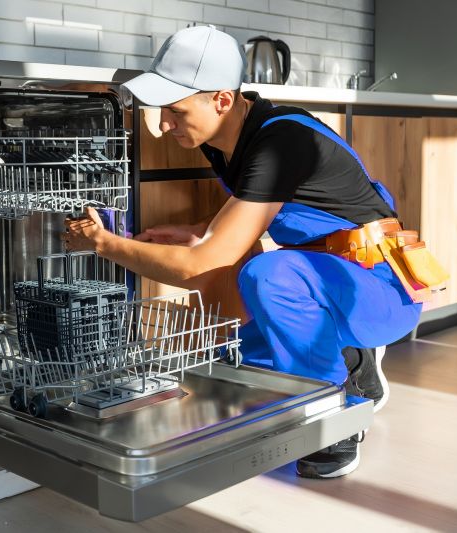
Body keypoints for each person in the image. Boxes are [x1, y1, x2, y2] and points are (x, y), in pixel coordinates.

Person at [63, 25, 422, 478]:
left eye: (175, 110)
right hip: (335, 277)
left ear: (221, 100)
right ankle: (353, 364)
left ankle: (333, 425)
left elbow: (198, 268)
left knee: (266, 276)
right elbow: (261, 218)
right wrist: (201, 229)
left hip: (383, 290)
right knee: (247, 359)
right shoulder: (227, 140)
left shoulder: (279, 143)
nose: (165, 124)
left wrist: (104, 244)